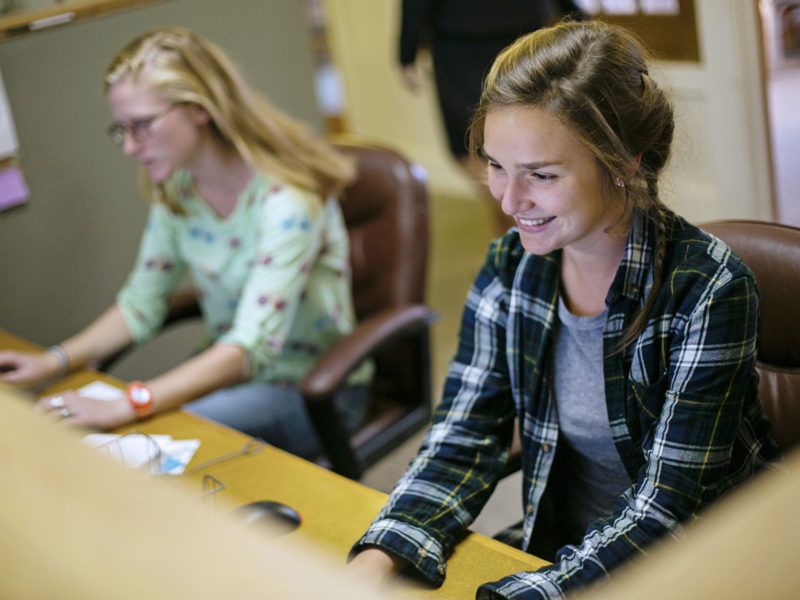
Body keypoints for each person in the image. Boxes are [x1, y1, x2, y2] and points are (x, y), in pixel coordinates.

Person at [348, 19, 780, 599]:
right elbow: (463, 436)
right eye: (496, 167)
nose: (508, 200)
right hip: (564, 545)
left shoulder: (709, 287)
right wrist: (374, 561)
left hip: (700, 563)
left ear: (627, 161)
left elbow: (667, 508)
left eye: (541, 176)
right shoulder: (511, 264)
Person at [0, 27, 370, 459]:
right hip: (236, 379)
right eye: (122, 129)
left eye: (142, 126)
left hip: (310, 390)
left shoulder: (288, 202)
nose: (131, 147)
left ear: (198, 109)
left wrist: (127, 403)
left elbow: (248, 347)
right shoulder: (179, 191)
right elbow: (141, 304)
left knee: (142, 445)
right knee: (129, 440)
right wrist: (54, 361)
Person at [398, 0, 586, 234]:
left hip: (469, 33)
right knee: (492, 151)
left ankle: (531, 243)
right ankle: (514, 246)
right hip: (499, 28)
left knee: (483, 150)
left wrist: (407, 49)